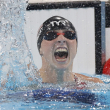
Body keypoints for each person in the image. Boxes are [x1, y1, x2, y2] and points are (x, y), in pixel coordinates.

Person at [37, 16, 103, 85]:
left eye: (69, 34)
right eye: (51, 35)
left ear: (76, 46)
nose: (61, 39)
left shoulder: (93, 84)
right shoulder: (28, 84)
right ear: (40, 48)